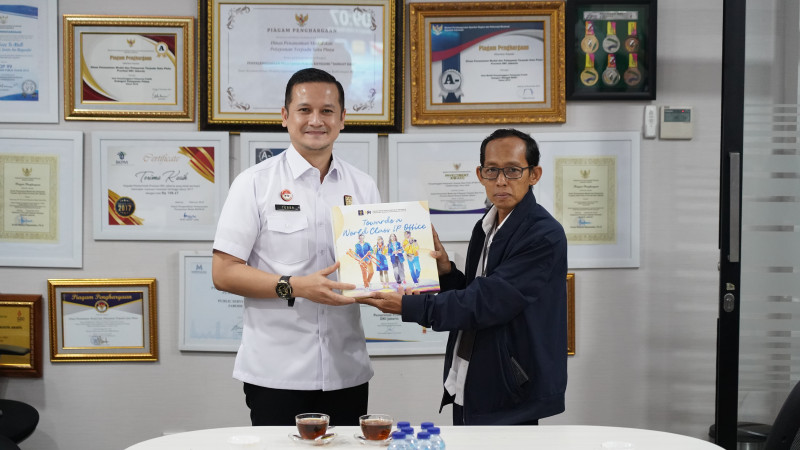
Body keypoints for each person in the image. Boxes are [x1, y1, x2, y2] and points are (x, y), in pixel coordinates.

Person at [359, 128, 568, 425]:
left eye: (513, 170)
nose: (501, 180)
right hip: (471, 377)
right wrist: (446, 272)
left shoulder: (543, 234)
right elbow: (475, 290)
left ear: (534, 175)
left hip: (510, 388)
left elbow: (486, 302)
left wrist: (407, 306)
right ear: (480, 174)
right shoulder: (486, 225)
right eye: (492, 170)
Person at [212, 68, 380, 427]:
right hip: (276, 374)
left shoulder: (363, 186)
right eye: (304, 110)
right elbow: (223, 273)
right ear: (285, 116)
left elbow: (374, 269)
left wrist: (409, 275)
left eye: (327, 111)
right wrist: (296, 286)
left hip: (346, 370)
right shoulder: (254, 184)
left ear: (342, 119)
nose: (316, 120)